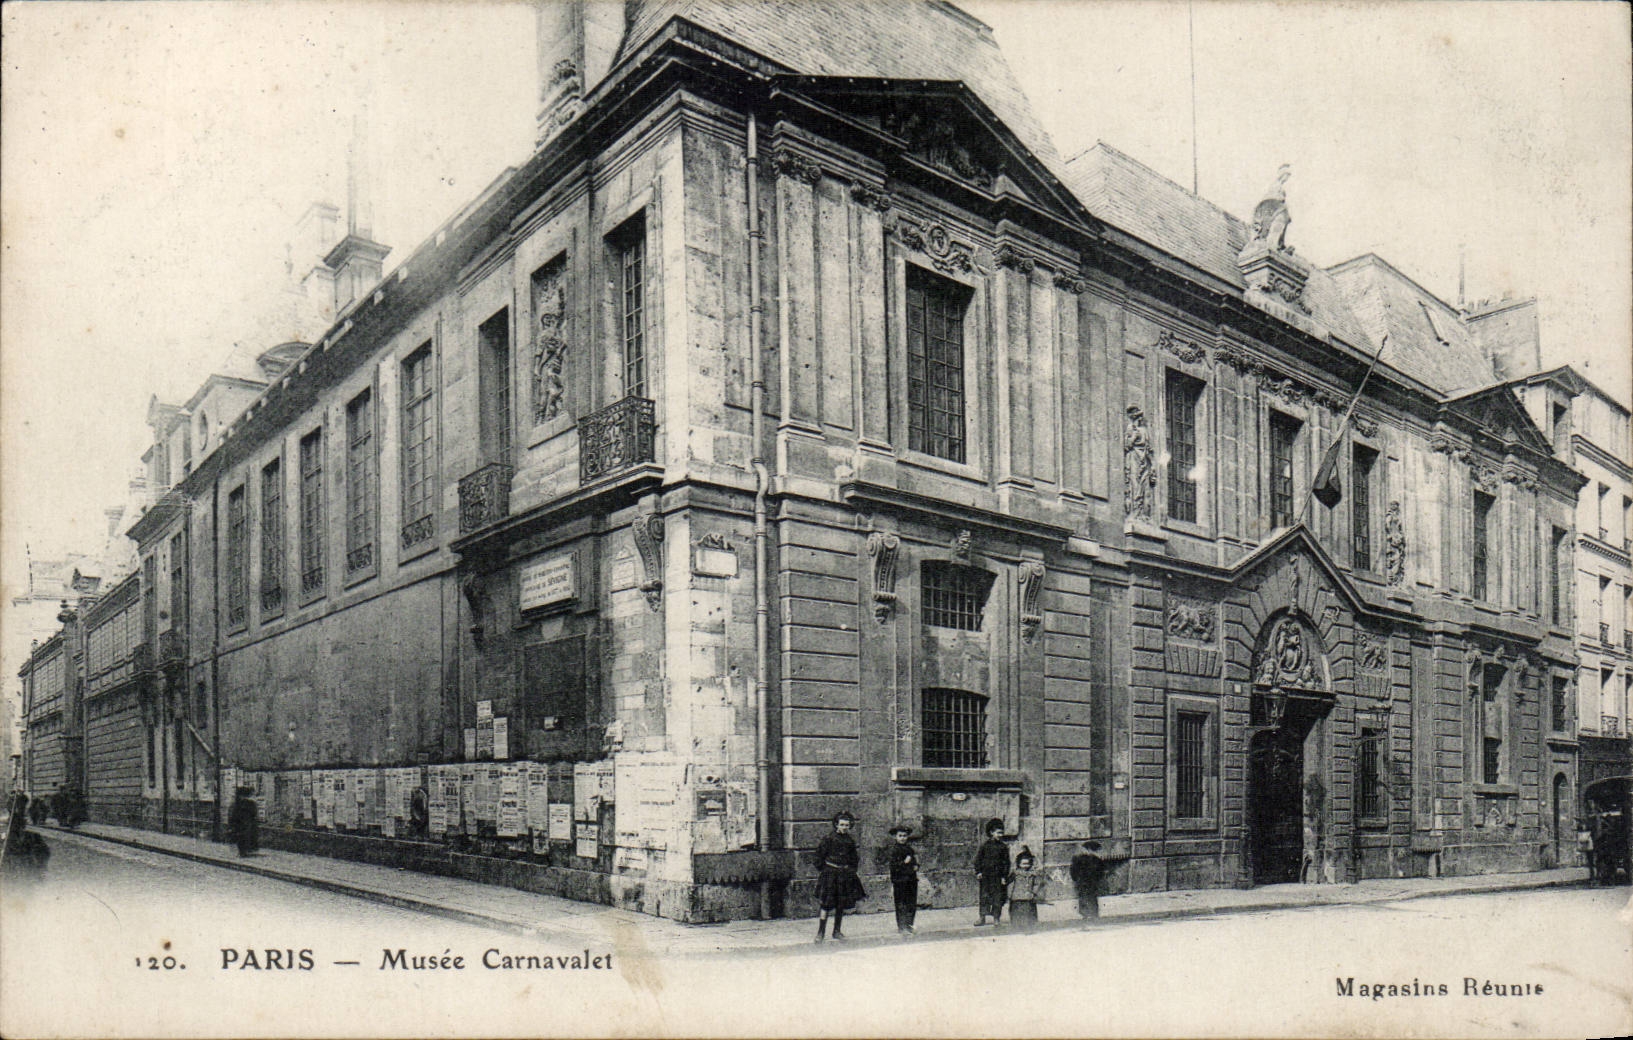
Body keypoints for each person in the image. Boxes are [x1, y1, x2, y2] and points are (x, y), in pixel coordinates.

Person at [813, 811, 865, 941]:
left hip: (844, 876)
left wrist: (851, 871)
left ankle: (837, 931)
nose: (844, 827)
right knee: (826, 904)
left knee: (840, 903)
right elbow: (819, 857)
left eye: (847, 825)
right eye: (842, 824)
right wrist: (825, 870)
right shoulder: (828, 839)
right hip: (830, 875)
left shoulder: (850, 841)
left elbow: (854, 859)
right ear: (836, 825)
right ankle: (821, 932)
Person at [973, 817, 1010, 926]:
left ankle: (996, 918)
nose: (1000, 835)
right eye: (998, 833)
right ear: (991, 832)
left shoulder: (1003, 847)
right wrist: (978, 872)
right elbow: (978, 860)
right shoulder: (985, 846)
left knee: (997, 898)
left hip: (997, 878)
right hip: (986, 877)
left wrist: (1004, 876)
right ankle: (982, 917)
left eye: (1002, 833)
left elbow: (1006, 863)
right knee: (984, 897)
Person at [887, 823, 919, 934]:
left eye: (904, 836)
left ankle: (909, 924)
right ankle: (901, 926)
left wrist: (915, 866)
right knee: (901, 903)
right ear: (895, 837)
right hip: (900, 881)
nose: (902, 838)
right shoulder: (894, 850)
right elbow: (894, 866)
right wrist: (904, 863)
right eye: (900, 836)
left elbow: (915, 861)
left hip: (911, 880)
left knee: (911, 903)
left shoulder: (909, 849)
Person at [1007, 847, 1043, 932]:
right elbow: (1010, 883)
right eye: (1023, 864)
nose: (1025, 866)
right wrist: (1010, 895)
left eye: (1027, 864)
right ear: (1019, 864)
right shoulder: (1015, 873)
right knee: (1017, 912)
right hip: (1017, 896)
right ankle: (1017, 926)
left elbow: (1037, 884)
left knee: (1028, 913)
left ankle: (1028, 927)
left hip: (1028, 896)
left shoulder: (1033, 874)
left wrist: (1034, 892)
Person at [1070, 840, 1107, 920]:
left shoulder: (1077, 859)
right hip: (1092, 883)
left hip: (1081, 882)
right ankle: (1093, 913)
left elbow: (1073, 872)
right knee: (1092, 897)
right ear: (1092, 850)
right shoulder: (1097, 860)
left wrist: (1076, 880)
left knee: (1083, 896)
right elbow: (1101, 873)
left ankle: (1084, 914)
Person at [227, 786, 259, 857]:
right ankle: (244, 851)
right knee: (245, 837)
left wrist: (231, 824)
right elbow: (254, 813)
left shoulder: (236, 803)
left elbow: (232, 814)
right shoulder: (250, 803)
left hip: (241, 824)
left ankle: (243, 851)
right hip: (245, 823)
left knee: (242, 837)